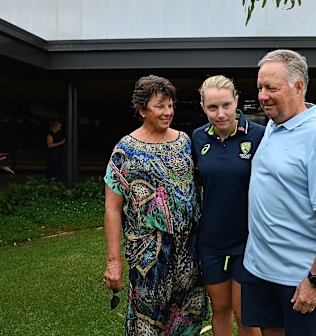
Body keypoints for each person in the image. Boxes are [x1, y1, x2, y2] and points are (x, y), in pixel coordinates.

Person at [242, 49, 316, 336]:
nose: (262, 96)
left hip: (298, 278)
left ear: (298, 86)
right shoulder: (273, 128)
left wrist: (315, 280)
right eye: (260, 88)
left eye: (271, 88)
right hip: (261, 270)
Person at [102, 75, 208, 335]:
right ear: (141, 109)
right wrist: (114, 262)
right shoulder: (125, 151)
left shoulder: (185, 142)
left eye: (170, 105)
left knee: (186, 322)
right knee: (146, 324)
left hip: (189, 254)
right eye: (160, 106)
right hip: (148, 257)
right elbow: (112, 208)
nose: (168, 112)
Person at [191, 76, 264, 336]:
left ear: (236, 101)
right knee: (220, 309)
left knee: (245, 313)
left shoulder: (259, 136)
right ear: (202, 106)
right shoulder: (198, 138)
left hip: (248, 240)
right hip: (210, 241)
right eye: (212, 108)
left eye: (226, 105)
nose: (220, 114)